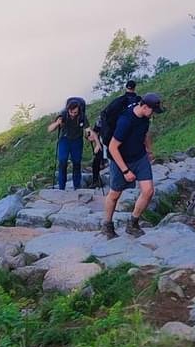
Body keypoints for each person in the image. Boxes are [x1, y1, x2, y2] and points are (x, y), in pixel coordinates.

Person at [102, 92, 165, 239]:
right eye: (153, 111)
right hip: (120, 159)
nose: (153, 114)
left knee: (148, 191)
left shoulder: (145, 118)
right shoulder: (125, 121)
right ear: (144, 107)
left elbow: (145, 134)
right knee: (115, 194)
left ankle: (133, 223)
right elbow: (112, 147)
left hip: (139, 156)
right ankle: (107, 225)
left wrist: (149, 150)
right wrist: (125, 171)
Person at [45, 98, 88, 191]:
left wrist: (89, 134)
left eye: (75, 112)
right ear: (68, 109)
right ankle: (61, 188)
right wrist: (57, 123)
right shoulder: (63, 114)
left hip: (77, 140)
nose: (73, 114)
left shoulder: (82, 116)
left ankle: (77, 187)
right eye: (71, 112)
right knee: (62, 161)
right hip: (65, 139)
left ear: (79, 110)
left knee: (77, 163)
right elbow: (49, 129)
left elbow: (87, 129)